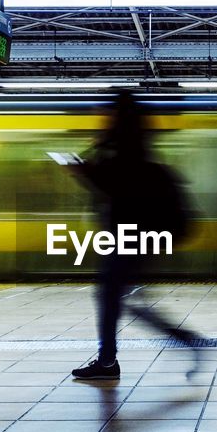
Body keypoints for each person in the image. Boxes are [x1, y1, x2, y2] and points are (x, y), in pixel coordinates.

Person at [69, 92, 198, 381]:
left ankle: (108, 362)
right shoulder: (126, 143)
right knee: (121, 298)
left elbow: (119, 188)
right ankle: (180, 340)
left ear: (117, 114)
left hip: (130, 234)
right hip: (132, 234)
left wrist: (83, 171)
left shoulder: (123, 147)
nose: (99, 116)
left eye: (104, 112)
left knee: (112, 296)